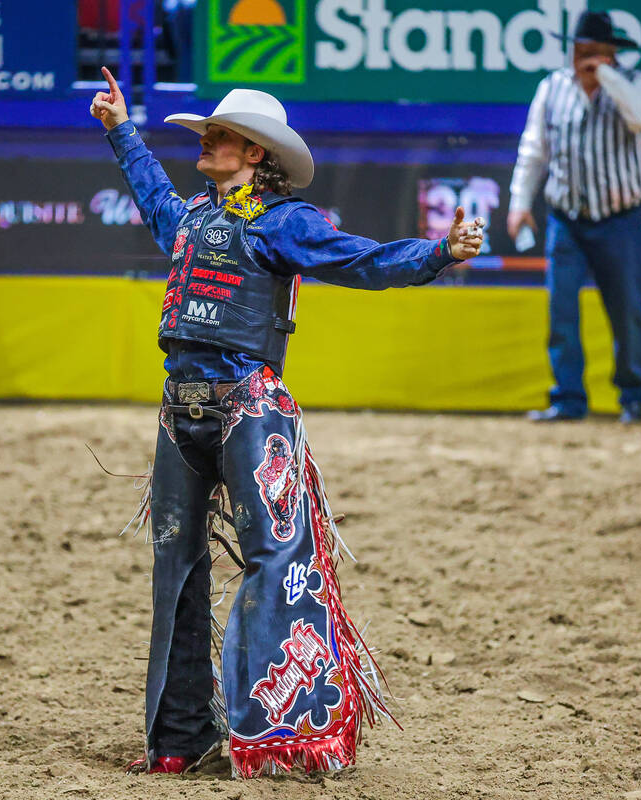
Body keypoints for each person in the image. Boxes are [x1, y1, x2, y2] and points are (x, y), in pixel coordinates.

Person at [90, 67, 482, 777]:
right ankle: (179, 740)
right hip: (186, 408)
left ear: (255, 154)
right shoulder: (193, 217)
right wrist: (120, 129)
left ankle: (280, 736)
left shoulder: (285, 222)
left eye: (221, 134)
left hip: (247, 406)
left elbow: (358, 259)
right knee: (177, 567)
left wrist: (435, 253)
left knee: (275, 563)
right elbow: (152, 192)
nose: (207, 140)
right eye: (210, 132)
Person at [506, 11, 641, 424]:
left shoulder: (636, 84)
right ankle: (568, 399)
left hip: (620, 220)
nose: (585, 60)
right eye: (580, 51)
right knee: (561, 310)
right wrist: (519, 202)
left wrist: (608, 77)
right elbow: (534, 149)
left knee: (627, 310)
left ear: (611, 53)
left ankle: (632, 396)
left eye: (594, 52)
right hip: (567, 219)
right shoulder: (553, 88)